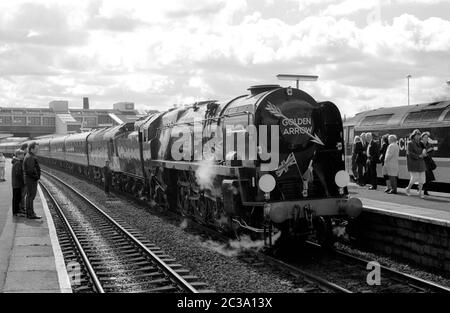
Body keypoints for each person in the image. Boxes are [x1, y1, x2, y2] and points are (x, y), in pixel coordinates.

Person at [23, 142, 42, 219]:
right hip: (31, 180)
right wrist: (36, 177)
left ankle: (30, 213)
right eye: (36, 149)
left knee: (30, 196)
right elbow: (30, 171)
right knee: (31, 196)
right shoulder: (30, 157)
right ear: (32, 149)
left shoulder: (30, 156)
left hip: (30, 179)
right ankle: (30, 214)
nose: (38, 150)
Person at [406, 129, 426, 198]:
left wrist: (424, 153)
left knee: (422, 178)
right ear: (413, 136)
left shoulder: (421, 143)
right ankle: (408, 189)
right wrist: (418, 156)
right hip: (414, 163)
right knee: (414, 178)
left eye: (419, 135)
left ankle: (420, 192)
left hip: (421, 163)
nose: (418, 136)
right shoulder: (410, 143)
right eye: (417, 135)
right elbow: (409, 153)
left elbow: (424, 150)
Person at [12, 149, 26, 216]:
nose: (23, 156)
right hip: (17, 184)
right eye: (22, 154)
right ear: (18, 155)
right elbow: (18, 174)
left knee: (17, 198)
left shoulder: (16, 162)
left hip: (16, 183)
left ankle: (18, 211)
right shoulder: (17, 163)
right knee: (16, 198)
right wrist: (23, 181)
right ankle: (16, 212)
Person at [421, 132, 435, 196]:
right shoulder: (419, 145)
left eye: (427, 137)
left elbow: (431, 154)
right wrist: (426, 152)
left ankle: (425, 191)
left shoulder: (430, 145)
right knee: (421, 177)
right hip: (420, 163)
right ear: (422, 138)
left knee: (427, 178)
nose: (426, 138)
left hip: (427, 163)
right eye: (425, 137)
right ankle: (421, 189)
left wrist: (425, 154)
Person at [20, 143, 28, 212]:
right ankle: (22, 208)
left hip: (23, 179)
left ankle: (22, 207)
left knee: (23, 195)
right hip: (24, 179)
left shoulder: (23, 157)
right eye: (27, 148)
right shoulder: (23, 158)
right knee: (23, 194)